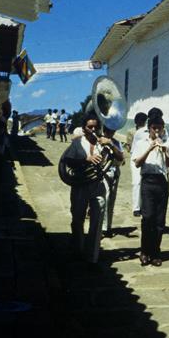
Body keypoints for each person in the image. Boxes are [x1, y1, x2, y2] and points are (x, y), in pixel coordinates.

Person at [60, 112, 107, 263]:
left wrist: (111, 144)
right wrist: (86, 158)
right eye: (90, 127)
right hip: (80, 185)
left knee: (97, 221)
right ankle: (78, 250)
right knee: (78, 218)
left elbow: (120, 159)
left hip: (98, 185)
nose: (93, 129)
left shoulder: (102, 142)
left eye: (95, 127)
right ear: (84, 128)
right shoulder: (77, 142)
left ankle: (92, 256)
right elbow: (67, 160)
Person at [132, 113, 169, 266]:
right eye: (154, 128)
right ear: (149, 128)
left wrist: (164, 150)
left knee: (159, 221)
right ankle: (144, 250)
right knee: (148, 217)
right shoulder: (142, 142)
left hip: (162, 182)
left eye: (160, 129)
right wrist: (150, 148)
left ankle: (156, 252)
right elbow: (137, 163)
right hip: (148, 181)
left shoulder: (166, 143)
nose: (157, 131)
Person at [100, 126, 125, 237]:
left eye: (113, 131)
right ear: (104, 131)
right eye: (109, 131)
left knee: (111, 201)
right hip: (102, 173)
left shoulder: (116, 142)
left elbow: (121, 158)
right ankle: (101, 227)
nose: (112, 133)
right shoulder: (98, 141)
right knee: (103, 200)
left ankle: (107, 227)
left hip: (114, 172)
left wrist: (111, 145)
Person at [127, 112, 149, 216]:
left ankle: (143, 205)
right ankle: (136, 208)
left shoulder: (148, 131)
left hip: (145, 157)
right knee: (136, 182)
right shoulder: (131, 131)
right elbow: (129, 146)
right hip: (135, 156)